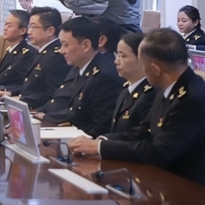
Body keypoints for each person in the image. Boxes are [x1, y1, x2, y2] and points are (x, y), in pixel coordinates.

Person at [69, 29, 205, 186]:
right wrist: (102, 140)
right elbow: (144, 130)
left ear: (155, 70)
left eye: (142, 63)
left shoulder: (191, 98)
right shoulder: (169, 89)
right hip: (164, 179)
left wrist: (100, 147)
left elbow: (159, 152)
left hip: (188, 188)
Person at [34, 17, 122, 137]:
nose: (61, 51)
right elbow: (76, 112)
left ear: (86, 45)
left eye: (65, 45)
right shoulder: (83, 67)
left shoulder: (102, 76)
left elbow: (101, 128)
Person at [0, 7, 70, 108]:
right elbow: (29, 86)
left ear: (50, 31)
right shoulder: (43, 52)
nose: (29, 32)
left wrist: (21, 99)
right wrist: (10, 92)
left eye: (33, 27)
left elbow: (53, 95)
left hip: (37, 110)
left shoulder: (57, 57)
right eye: (29, 27)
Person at [0, 10, 35, 93]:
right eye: (5, 24)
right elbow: (2, 77)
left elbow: (24, 85)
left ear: (22, 31)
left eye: (9, 25)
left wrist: (6, 90)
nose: (5, 28)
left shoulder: (27, 54)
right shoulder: (11, 49)